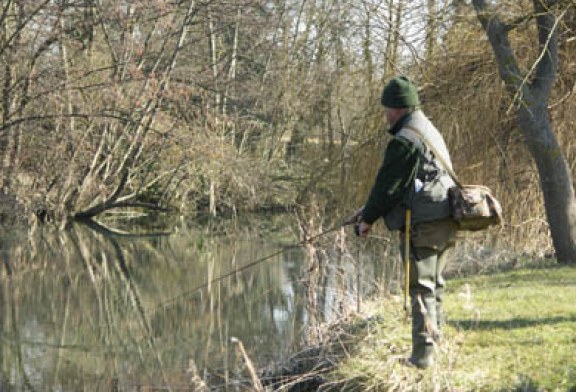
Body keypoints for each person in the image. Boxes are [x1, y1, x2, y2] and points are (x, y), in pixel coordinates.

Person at [353, 76, 457, 369]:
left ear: (397, 108)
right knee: (435, 284)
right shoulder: (426, 128)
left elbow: (389, 186)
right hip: (445, 217)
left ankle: (422, 358)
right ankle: (435, 345)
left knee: (421, 289)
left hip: (424, 223)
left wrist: (368, 219)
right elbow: (411, 182)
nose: (385, 113)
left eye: (386, 108)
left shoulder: (405, 140)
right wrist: (367, 209)